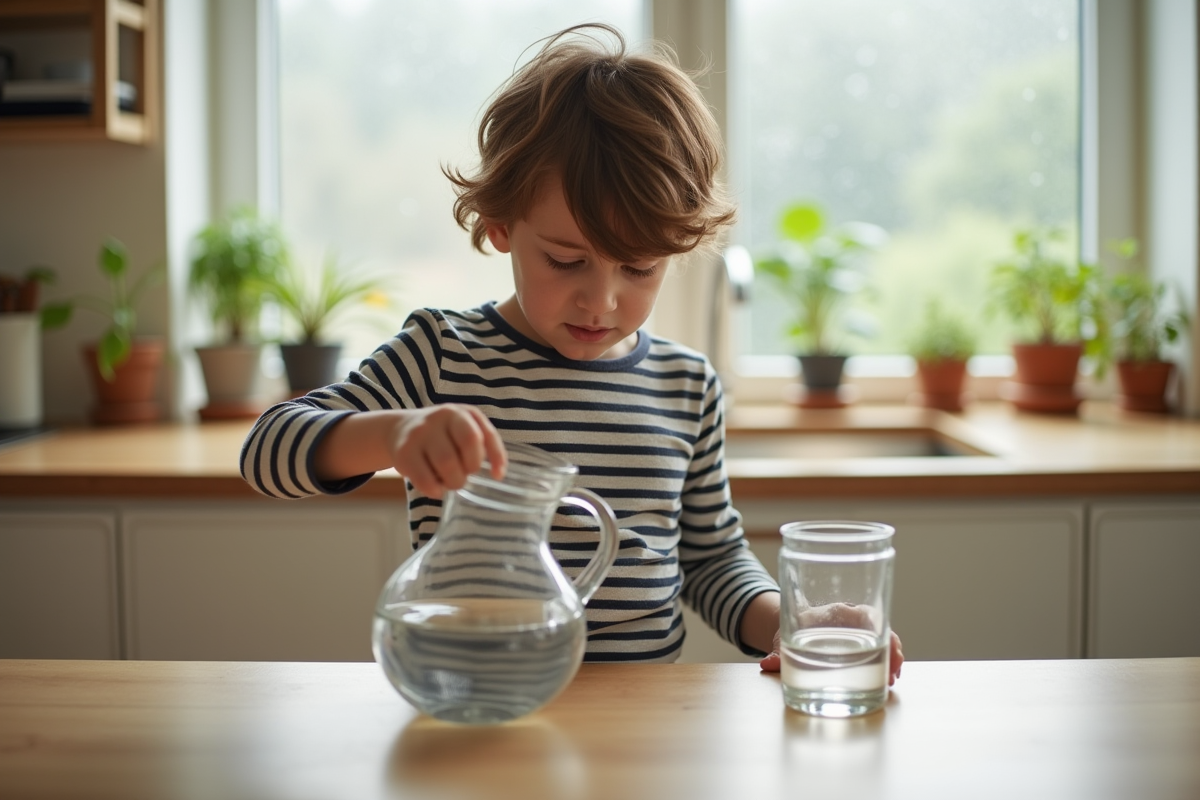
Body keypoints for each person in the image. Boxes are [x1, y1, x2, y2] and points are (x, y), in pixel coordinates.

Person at [241, 23, 903, 680]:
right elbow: (267, 450)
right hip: (478, 705)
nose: (601, 300)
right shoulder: (441, 356)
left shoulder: (687, 385)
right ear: (501, 226)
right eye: (566, 260)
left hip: (642, 727)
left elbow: (709, 559)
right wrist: (393, 434)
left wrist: (790, 621)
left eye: (637, 269)